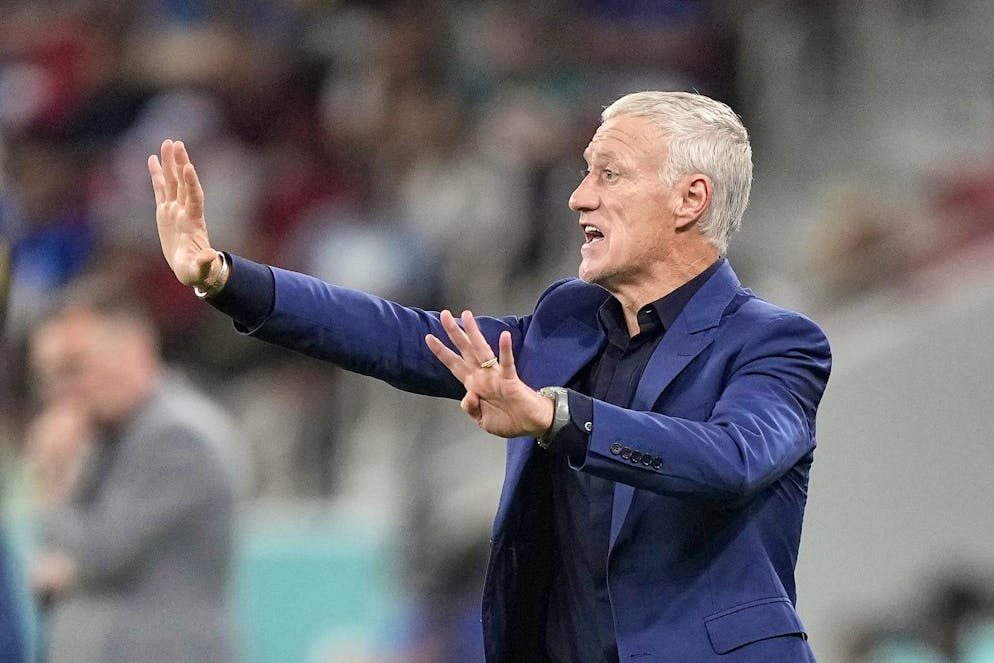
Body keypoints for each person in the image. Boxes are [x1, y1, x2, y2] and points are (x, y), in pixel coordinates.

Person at [149, 90, 832, 662]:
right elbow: (400, 336)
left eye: (609, 174)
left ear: (690, 199)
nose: (579, 198)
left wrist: (557, 417)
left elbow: (731, 459)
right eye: (585, 173)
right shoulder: (567, 323)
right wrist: (227, 279)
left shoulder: (776, 343)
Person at [25, 280, 242, 663]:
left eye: (73, 368)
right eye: (47, 375)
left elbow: (100, 553)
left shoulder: (177, 436)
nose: (60, 391)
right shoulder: (104, 436)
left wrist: (56, 480)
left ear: (134, 351)